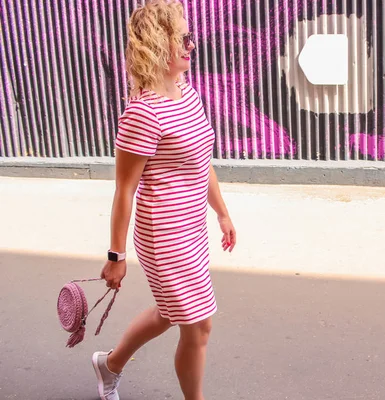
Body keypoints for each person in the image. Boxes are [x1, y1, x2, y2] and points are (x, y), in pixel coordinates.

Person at [91, 1, 236, 399]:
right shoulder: (143, 113)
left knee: (170, 314)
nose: (192, 44)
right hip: (164, 237)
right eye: (183, 38)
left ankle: (109, 365)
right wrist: (116, 256)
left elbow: (200, 161)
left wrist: (221, 213)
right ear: (158, 43)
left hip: (191, 229)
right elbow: (124, 190)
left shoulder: (187, 94)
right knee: (199, 324)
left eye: (190, 36)